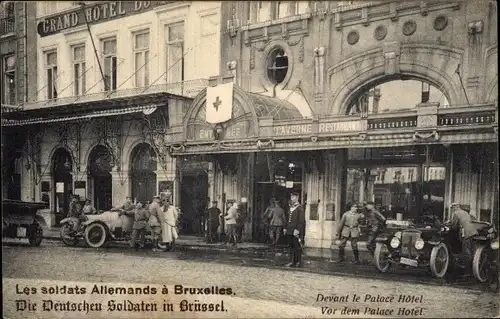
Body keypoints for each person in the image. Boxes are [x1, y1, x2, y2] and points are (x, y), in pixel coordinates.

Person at [283, 192, 305, 267]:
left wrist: (297, 230)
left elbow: (301, 220)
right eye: (291, 196)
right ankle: (292, 261)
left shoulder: (299, 208)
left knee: (297, 246)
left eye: (293, 196)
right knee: (291, 246)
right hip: (289, 229)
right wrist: (285, 228)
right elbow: (287, 219)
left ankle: (298, 261)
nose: (292, 198)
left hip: (295, 230)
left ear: (297, 198)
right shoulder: (290, 207)